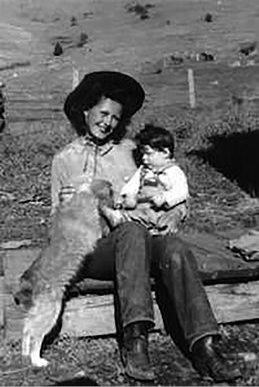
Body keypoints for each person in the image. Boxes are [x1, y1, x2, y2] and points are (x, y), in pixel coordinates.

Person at [51, 71, 240, 383]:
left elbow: (173, 186)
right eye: (102, 113)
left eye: (115, 117)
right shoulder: (65, 160)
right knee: (131, 232)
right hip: (95, 249)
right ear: (85, 111)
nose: (108, 122)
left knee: (175, 247)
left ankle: (205, 346)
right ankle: (136, 339)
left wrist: (177, 214)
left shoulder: (132, 152)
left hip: (140, 240)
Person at [100, 123, 189, 235]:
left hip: (158, 210)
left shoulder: (173, 172)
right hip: (141, 206)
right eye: (142, 154)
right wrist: (128, 195)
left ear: (165, 153)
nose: (144, 158)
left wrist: (165, 198)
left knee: (150, 218)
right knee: (135, 214)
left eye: (148, 154)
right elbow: (133, 185)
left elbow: (181, 191)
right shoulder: (143, 170)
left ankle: (119, 219)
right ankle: (115, 218)